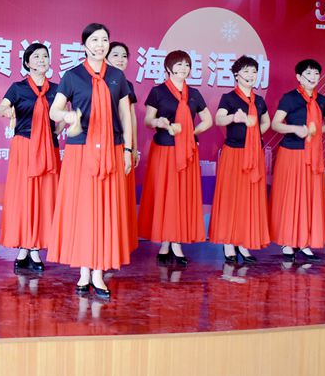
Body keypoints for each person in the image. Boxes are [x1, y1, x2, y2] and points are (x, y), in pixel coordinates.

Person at [48, 23, 133, 299]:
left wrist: (128, 150)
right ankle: (84, 272)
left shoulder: (117, 76)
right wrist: (67, 116)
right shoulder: (72, 76)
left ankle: (99, 273)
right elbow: (54, 111)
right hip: (81, 151)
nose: (100, 45)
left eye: (104, 40)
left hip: (111, 149)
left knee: (106, 211)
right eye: (94, 40)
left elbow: (125, 116)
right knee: (84, 211)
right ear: (84, 45)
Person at [138, 50, 213, 265]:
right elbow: (148, 120)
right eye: (179, 65)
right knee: (165, 195)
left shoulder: (194, 94)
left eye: (187, 65)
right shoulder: (158, 91)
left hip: (186, 151)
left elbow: (208, 120)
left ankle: (177, 242)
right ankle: (164, 242)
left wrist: (190, 133)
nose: (183, 69)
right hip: (164, 150)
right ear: (168, 68)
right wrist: (160, 123)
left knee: (181, 196)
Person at [0, 43, 61, 272]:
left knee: (44, 197)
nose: (42, 60)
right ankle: (24, 248)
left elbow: (61, 117)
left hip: (48, 148)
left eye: (45, 56)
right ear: (27, 63)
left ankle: (35, 248)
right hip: (24, 147)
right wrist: (7, 111)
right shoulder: (18, 88)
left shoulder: (57, 89)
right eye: (36, 57)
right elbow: (1, 108)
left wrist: (59, 127)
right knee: (24, 197)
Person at [270, 59, 325, 261]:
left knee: (309, 197)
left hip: (313, 154)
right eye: (308, 74)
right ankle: (288, 242)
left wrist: (316, 133)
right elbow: (275, 124)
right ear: (299, 77)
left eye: (316, 74)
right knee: (291, 197)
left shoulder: (322, 100)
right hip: (292, 153)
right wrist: (295, 129)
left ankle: (305, 242)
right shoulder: (290, 98)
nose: (313, 78)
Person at [209, 56, 271, 263]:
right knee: (231, 198)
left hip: (253, 153)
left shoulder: (259, 100)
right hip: (234, 154)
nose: (251, 76)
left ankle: (244, 243)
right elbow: (219, 119)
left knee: (249, 199)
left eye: (254, 72)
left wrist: (255, 134)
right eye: (246, 71)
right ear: (236, 75)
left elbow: (266, 122)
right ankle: (229, 243)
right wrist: (234, 118)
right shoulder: (229, 98)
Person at [107, 42, 140, 251]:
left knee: (119, 198)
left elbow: (131, 117)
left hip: (122, 145)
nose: (120, 59)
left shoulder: (127, 84)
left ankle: (117, 244)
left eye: (124, 56)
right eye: (116, 55)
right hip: (101, 146)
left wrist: (132, 147)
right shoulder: (98, 80)